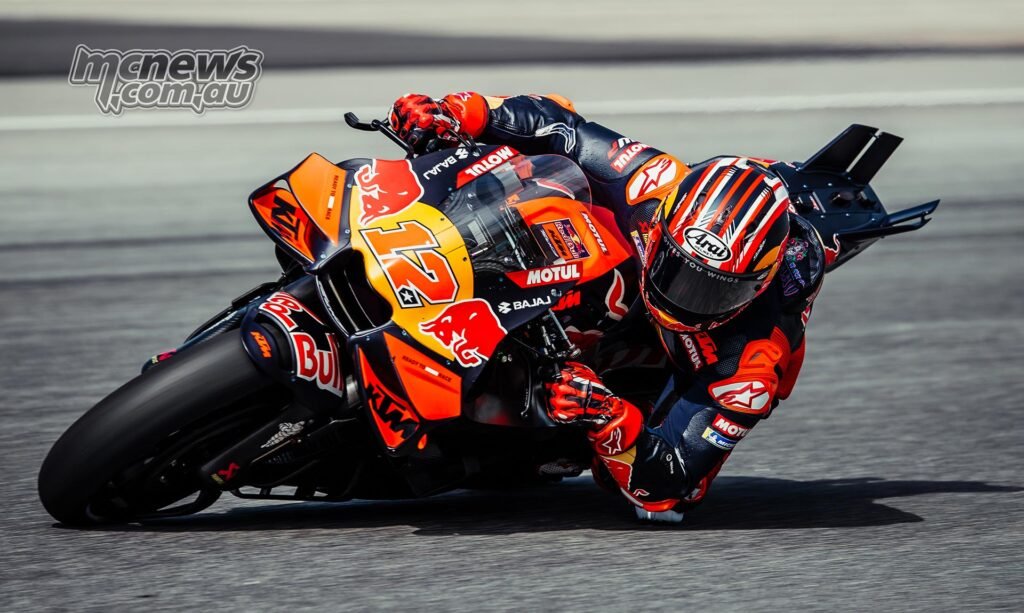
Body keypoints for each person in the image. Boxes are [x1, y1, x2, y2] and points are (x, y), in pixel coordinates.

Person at [389, 92, 825, 521]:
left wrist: (608, 415)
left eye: (718, 291)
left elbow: (668, 484)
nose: (686, 299)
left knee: (653, 488)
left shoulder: (750, 362)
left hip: (688, 366)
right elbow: (560, 124)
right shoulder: (652, 184)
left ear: (758, 283)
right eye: (679, 271)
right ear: (661, 228)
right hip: (627, 271)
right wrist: (460, 113)